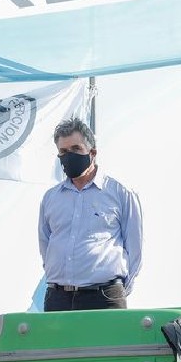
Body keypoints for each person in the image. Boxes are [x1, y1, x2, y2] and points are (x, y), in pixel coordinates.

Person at [38, 117, 143, 312]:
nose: (69, 156)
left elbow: (135, 249)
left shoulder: (120, 192)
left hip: (104, 298)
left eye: (76, 149)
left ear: (92, 152)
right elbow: (46, 245)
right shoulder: (50, 198)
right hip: (58, 299)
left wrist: (117, 290)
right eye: (63, 152)